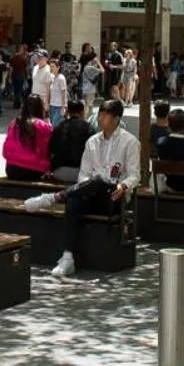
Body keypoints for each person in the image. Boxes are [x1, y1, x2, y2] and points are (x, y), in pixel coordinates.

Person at [47, 99, 139, 279]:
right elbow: (83, 174)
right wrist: (87, 186)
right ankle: (67, 256)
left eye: (105, 115)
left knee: (100, 182)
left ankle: (56, 197)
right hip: (91, 192)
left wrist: (123, 185)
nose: (100, 118)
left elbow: (135, 175)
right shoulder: (92, 142)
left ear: (116, 118)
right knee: (74, 199)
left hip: (114, 194)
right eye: (99, 114)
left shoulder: (130, 142)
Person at [3, 95, 53, 181]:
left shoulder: (14, 123)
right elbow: (48, 149)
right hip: (34, 170)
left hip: (12, 169)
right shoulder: (43, 126)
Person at [47, 100, 91, 183]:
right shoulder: (88, 128)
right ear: (82, 112)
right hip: (82, 172)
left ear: (68, 112)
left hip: (59, 171)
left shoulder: (59, 127)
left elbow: (51, 150)